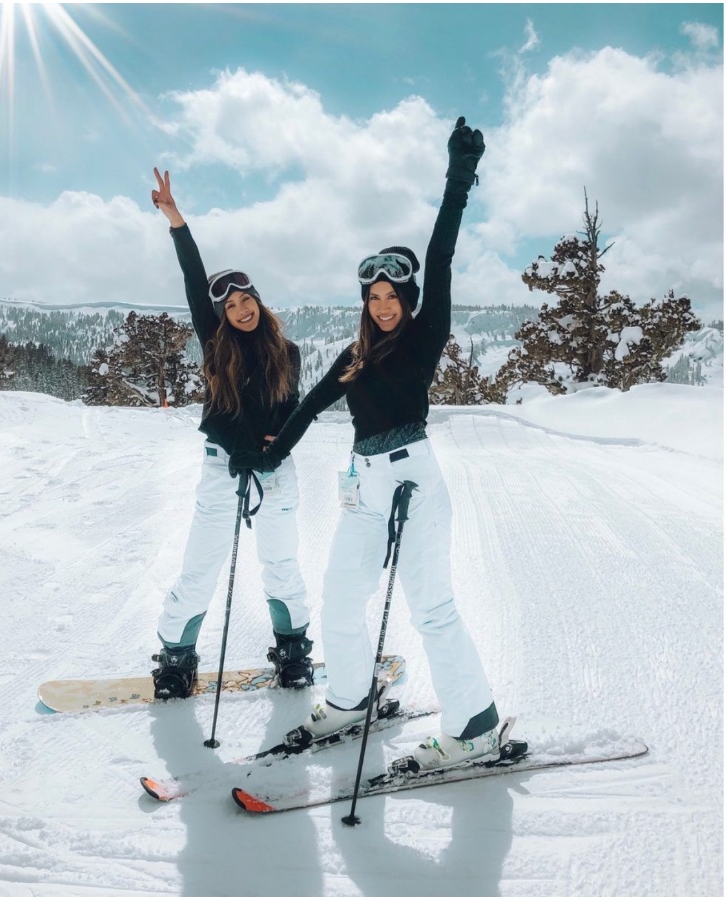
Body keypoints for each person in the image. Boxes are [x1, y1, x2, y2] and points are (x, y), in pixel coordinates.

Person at [242, 116, 500, 771]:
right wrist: (266, 455)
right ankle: (353, 700)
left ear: (410, 300)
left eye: (393, 296)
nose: (383, 305)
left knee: (432, 607)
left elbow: (439, 256)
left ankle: (477, 729)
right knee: (339, 595)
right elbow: (310, 407)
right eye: (374, 295)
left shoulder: (422, 335)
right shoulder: (358, 355)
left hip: (414, 480)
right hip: (362, 485)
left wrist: (458, 180)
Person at [148, 167, 313, 700]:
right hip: (221, 464)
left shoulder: (286, 353)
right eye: (230, 306)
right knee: (201, 564)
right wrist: (177, 220)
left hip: (274, 470)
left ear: (258, 302)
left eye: (247, 302)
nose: (240, 311)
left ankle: (292, 649)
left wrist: (273, 447)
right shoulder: (214, 342)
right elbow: (195, 279)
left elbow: (291, 412)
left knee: (281, 563)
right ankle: (177, 655)